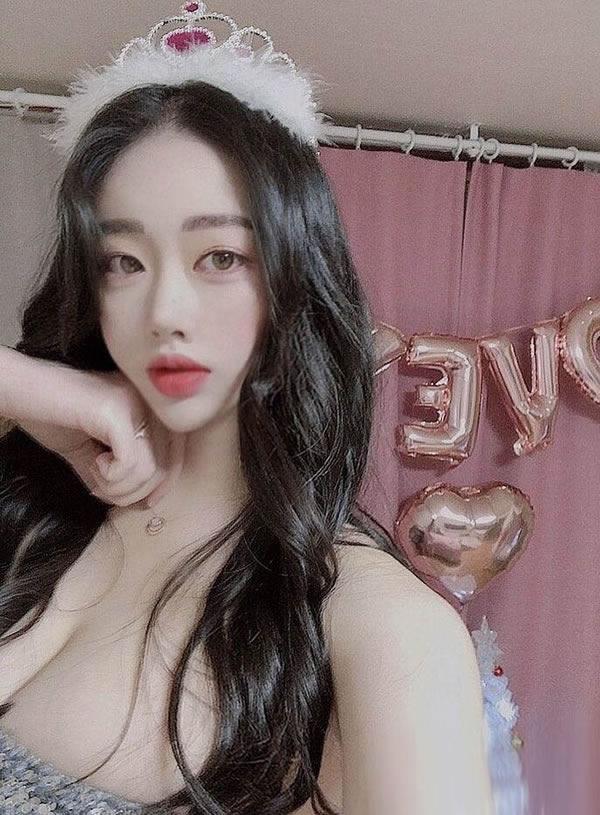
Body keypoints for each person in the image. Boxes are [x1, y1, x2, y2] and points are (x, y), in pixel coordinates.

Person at [0, 3, 494, 814]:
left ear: (295, 273)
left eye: (220, 257)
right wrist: (28, 388)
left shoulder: (372, 624)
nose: (165, 310)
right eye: (123, 261)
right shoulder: (32, 502)